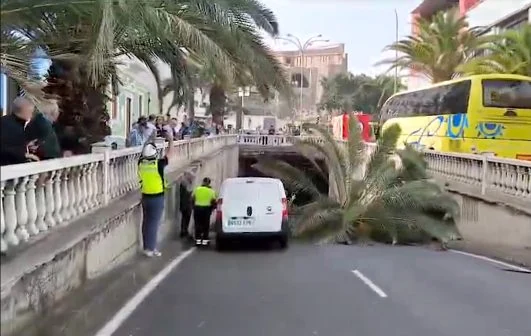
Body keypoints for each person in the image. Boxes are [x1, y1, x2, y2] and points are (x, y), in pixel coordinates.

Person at [138, 132, 175, 257]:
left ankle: (146, 247)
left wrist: (150, 138)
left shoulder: (141, 163)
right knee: (153, 224)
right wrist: (170, 140)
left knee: (146, 222)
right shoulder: (158, 164)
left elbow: (144, 148)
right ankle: (152, 248)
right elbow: (170, 153)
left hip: (145, 196)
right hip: (157, 197)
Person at [0, 96, 40, 166]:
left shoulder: (5, 121)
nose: (32, 115)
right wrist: (24, 155)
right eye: (31, 112)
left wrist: (26, 145)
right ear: (26, 111)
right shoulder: (15, 128)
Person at [192, 177, 217, 246]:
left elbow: (192, 199)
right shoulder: (211, 191)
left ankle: (198, 241)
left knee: (197, 224)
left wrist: (193, 207)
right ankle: (205, 241)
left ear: (203, 182)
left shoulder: (197, 189)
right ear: (209, 183)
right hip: (206, 210)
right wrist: (212, 209)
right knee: (206, 225)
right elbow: (214, 202)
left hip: (197, 209)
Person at [178, 171, 194, 239]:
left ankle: (184, 230)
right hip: (186, 204)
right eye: (191, 177)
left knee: (185, 218)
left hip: (185, 204)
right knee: (186, 217)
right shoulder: (185, 184)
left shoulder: (184, 183)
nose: (192, 179)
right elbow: (188, 193)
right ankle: (184, 231)